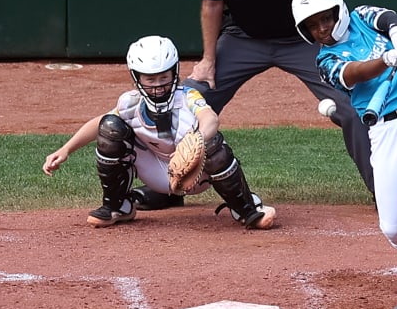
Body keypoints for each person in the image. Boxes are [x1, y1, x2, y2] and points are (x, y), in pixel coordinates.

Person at [189, 0, 375, 193]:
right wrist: (208, 61)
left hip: (301, 40)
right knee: (187, 99)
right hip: (242, 38)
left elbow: (329, 3)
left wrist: (341, 52)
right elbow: (211, 5)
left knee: (352, 103)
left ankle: (384, 189)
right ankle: (167, 187)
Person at [292, 0, 397, 309]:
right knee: (394, 227)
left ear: (338, 11)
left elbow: (389, 17)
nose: (321, 29)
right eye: (312, 26)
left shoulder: (362, 15)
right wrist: (385, 59)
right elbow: (352, 73)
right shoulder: (325, 60)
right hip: (384, 129)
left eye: (325, 19)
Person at [42, 35, 276, 229]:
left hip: (195, 174)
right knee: (111, 126)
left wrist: (195, 141)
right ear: (137, 78)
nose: (158, 85)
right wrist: (65, 149)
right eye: (150, 79)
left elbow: (209, 118)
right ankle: (117, 206)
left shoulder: (188, 96)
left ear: (174, 73)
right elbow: (100, 122)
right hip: (155, 171)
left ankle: (245, 208)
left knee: (213, 143)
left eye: (164, 77)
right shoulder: (130, 102)